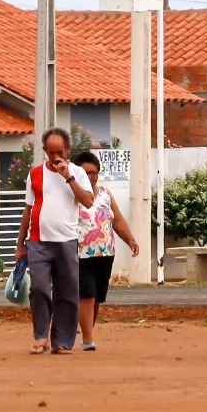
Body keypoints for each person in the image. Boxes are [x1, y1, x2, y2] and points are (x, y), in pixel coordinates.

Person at [15, 127, 94, 355]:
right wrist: (21, 245)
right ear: (44, 151)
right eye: (51, 152)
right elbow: (27, 210)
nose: (56, 156)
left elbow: (88, 201)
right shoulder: (35, 174)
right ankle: (41, 336)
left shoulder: (78, 173)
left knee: (67, 291)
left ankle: (62, 341)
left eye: (60, 151)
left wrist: (67, 176)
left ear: (68, 149)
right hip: (38, 240)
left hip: (67, 240)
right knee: (38, 287)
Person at [72, 149, 138, 351]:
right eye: (85, 172)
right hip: (81, 254)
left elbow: (117, 219)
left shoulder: (106, 195)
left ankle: (86, 333)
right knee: (87, 295)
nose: (90, 177)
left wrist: (130, 239)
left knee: (97, 298)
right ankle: (88, 339)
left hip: (105, 254)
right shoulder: (71, 195)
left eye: (94, 172)